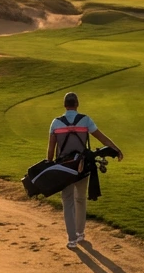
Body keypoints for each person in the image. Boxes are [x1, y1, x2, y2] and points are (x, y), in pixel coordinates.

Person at [48, 91, 123, 249]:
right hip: (82, 165)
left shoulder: (55, 123)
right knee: (80, 199)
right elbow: (102, 138)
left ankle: (71, 239)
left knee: (67, 201)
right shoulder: (85, 120)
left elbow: (51, 149)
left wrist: (49, 164)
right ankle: (80, 233)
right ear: (77, 105)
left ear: (64, 105)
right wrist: (116, 149)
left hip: (64, 167)